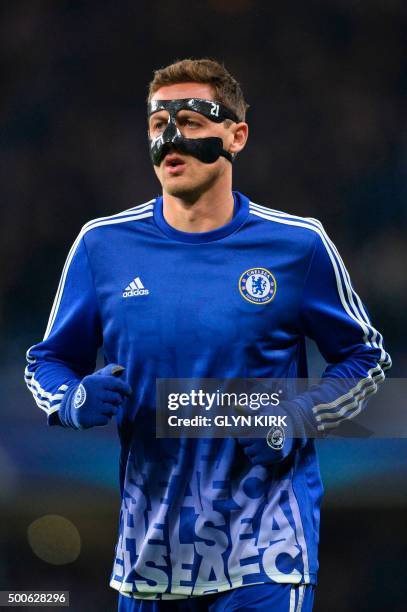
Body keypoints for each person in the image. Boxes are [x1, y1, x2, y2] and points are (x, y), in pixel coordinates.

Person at [25, 58, 391, 612]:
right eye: (157, 125)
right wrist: (71, 398)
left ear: (236, 135)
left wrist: (295, 417)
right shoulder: (101, 247)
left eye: (193, 121)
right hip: (150, 561)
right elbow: (46, 362)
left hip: (267, 552)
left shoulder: (297, 246)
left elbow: (365, 361)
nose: (171, 137)